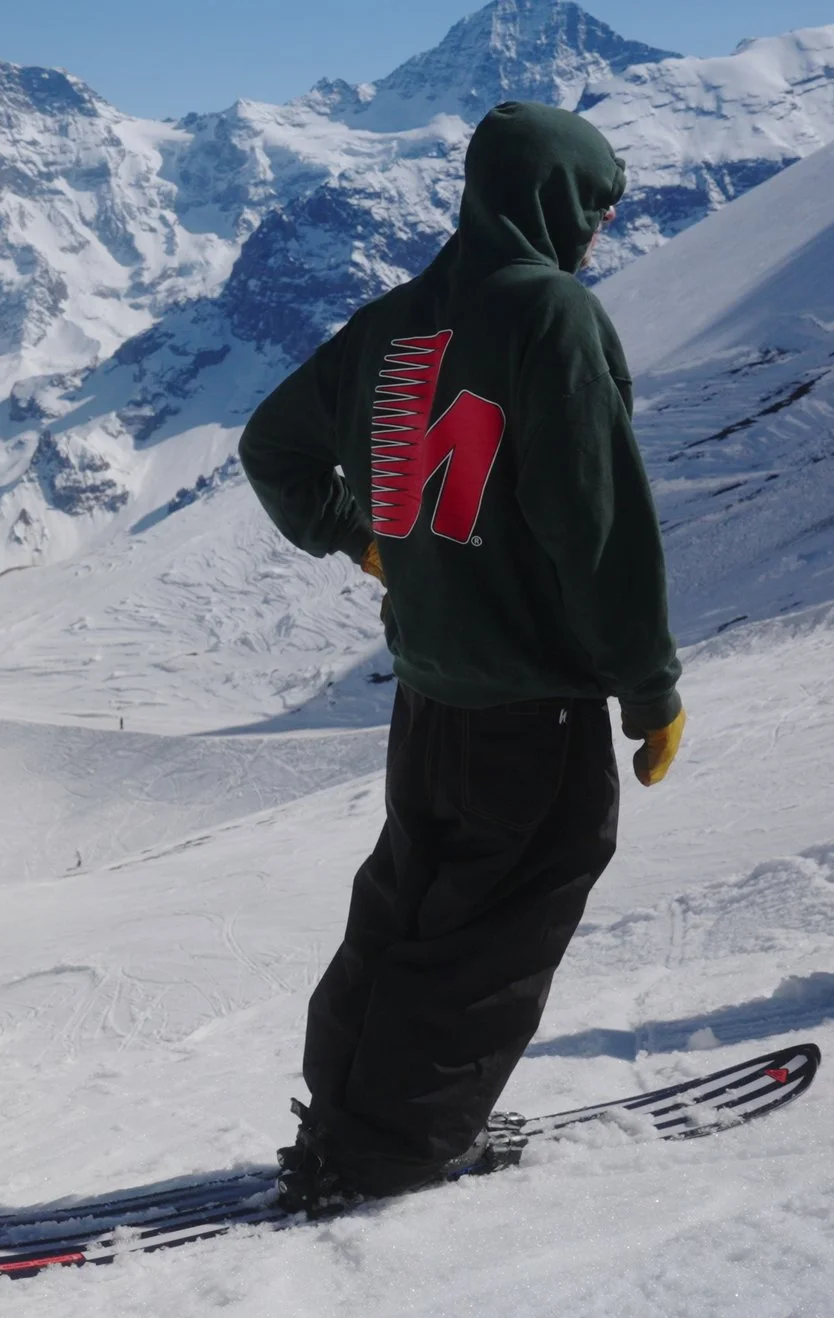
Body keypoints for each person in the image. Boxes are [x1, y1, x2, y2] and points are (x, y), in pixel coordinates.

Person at [238, 102, 685, 1218]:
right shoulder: (551, 317)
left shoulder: (395, 320)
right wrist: (649, 687)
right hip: (530, 700)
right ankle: (388, 1153)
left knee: (406, 905)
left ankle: (343, 1114)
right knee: (493, 932)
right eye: (592, 204)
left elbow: (272, 445)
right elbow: (598, 529)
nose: (600, 227)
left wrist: (360, 535)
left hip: (429, 693)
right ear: (547, 199)